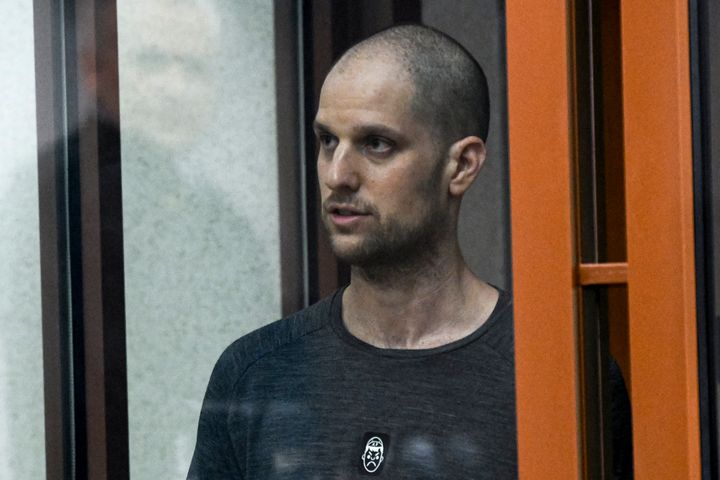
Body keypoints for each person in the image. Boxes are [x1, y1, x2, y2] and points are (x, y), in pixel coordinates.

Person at [187, 24, 632, 479]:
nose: (338, 174)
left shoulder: (558, 378)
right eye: (327, 141)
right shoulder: (257, 372)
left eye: (376, 144)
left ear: (460, 165)